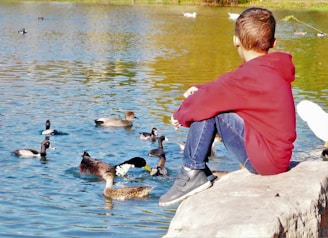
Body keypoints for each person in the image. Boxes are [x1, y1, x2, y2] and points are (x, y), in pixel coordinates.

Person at [159, 7, 296, 207]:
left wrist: (180, 115)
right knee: (210, 100)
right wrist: (201, 89)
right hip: (277, 156)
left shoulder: (247, 76)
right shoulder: (270, 69)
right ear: (273, 43)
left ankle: (192, 171)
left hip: (265, 161)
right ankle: (200, 172)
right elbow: (224, 88)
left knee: (210, 110)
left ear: (235, 40)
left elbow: (212, 98)